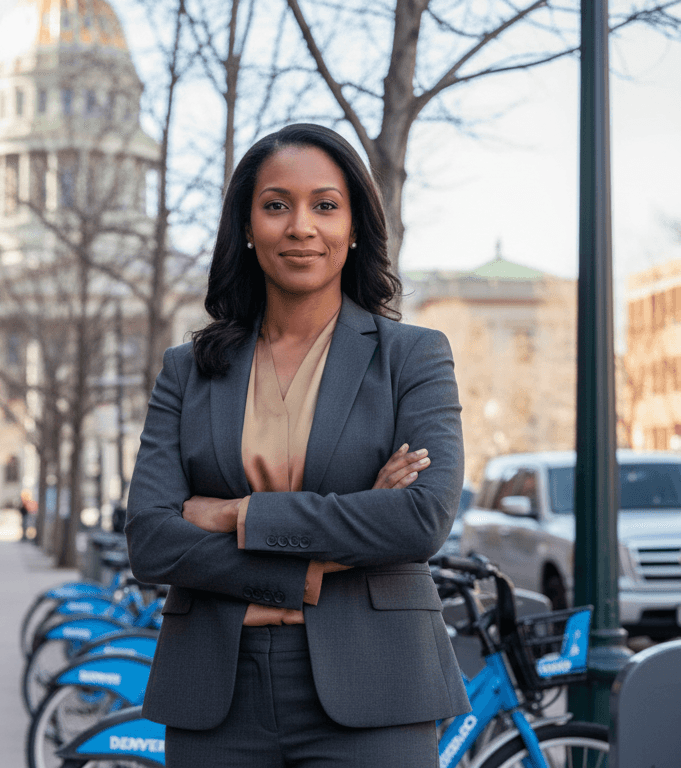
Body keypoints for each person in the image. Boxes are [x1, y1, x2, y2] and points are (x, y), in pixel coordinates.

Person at [124, 124, 468, 766]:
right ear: (248, 227)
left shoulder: (412, 358)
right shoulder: (187, 370)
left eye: (326, 205)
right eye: (276, 204)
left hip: (377, 692)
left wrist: (234, 514)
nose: (301, 226)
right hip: (215, 697)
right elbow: (151, 539)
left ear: (356, 227)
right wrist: (324, 554)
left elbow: (420, 520)